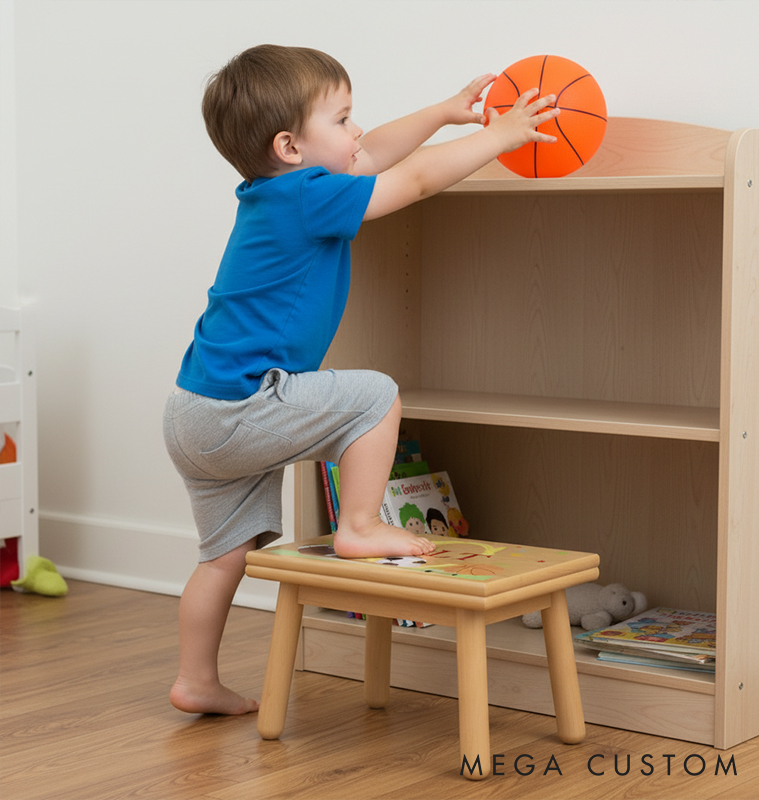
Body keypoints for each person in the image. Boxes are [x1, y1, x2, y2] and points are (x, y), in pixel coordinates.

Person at [163, 44, 559, 716]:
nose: (358, 131)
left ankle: (194, 680)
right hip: (242, 406)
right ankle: (360, 524)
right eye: (343, 119)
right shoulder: (307, 196)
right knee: (376, 394)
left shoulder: (277, 192)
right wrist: (500, 136)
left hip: (194, 410)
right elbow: (415, 181)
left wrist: (444, 112)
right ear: (290, 146)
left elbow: (372, 154)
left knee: (223, 557)